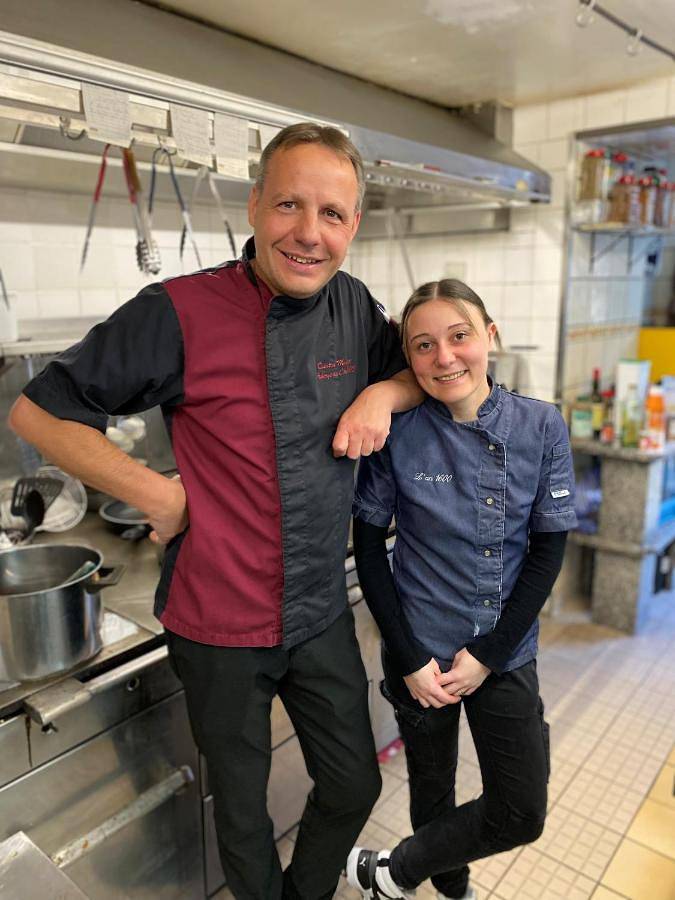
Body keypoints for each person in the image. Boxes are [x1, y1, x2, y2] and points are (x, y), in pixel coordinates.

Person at [8, 123, 424, 900]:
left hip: (317, 607)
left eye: (331, 214)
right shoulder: (178, 310)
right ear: (254, 207)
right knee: (241, 815)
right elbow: (37, 414)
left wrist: (379, 391)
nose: (309, 232)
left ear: (354, 224)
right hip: (217, 619)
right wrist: (158, 492)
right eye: (288, 206)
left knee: (353, 785)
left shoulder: (353, 306)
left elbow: (414, 374)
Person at [346, 279, 577, 900]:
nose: (444, 357)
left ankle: (391, 871)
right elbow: (370, 547)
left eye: (459, 336)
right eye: (423, 345)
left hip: (502, 653)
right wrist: (410, 656)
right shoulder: (401, 429)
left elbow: (547, 551)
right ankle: (450, 889)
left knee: (521, 807)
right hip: (420, 651)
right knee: (432, 788)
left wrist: (490, 654)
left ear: (489, 336)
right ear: (409, 358)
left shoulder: (542, 425)